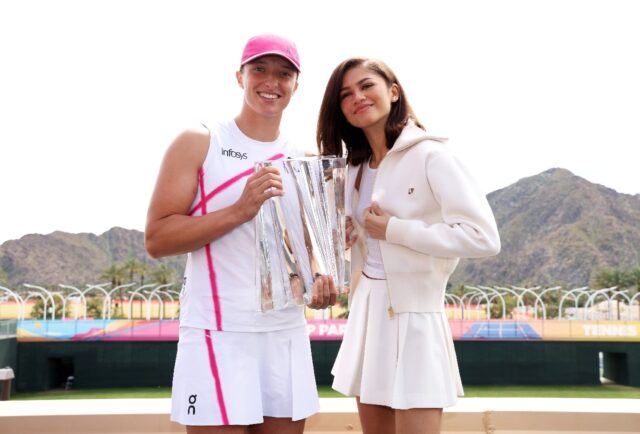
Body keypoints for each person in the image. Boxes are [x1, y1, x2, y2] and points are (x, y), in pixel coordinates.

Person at [145, 34, 336, 434]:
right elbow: (158, 239)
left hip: (284, 332)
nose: (272, 82)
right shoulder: (201, 141)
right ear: (240, 76)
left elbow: (299, 246)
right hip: (218, 332)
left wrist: (319, 276)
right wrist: (239, 211)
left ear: (296, 85)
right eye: (260, 70)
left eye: (284, 74)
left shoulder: (300, 157)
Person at [316, 58, 501, 434]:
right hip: (367, 314)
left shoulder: (432, 155)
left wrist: (396, 229)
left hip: (416, 319)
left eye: (367, 86)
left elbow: (483, 237)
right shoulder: (353, 169)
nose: (357, 97)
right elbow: (368, 246)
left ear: (393, 91)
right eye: (346, 94)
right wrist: (352, 237)